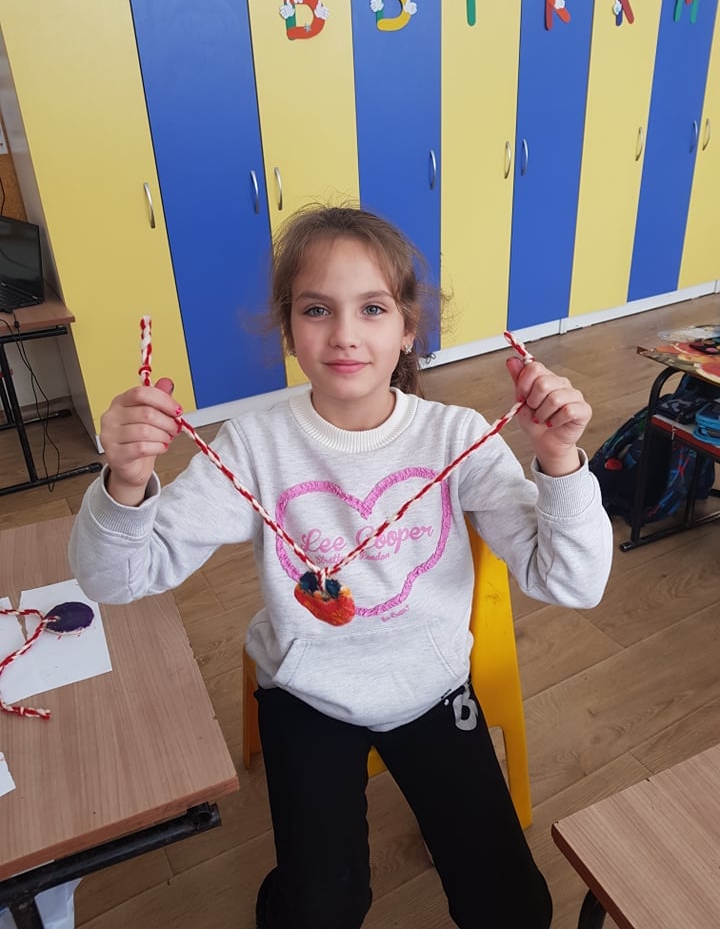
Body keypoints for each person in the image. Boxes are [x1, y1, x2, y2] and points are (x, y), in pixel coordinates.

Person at [69, 205, 613, 929]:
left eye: (373, 308)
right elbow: (114, 579)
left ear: (408, 328)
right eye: (317, 309)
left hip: (430, 689)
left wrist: (560, 462)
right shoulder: (253, 448)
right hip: (308, 697)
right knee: (321, 910)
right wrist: (126, 482)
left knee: (514, 908)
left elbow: (574, 582)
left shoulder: (456, 437)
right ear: (289, 328)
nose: (345, 334)